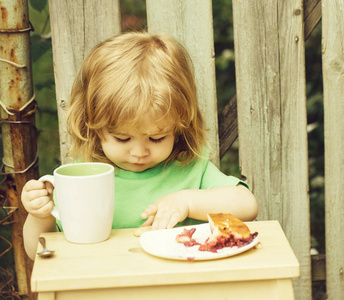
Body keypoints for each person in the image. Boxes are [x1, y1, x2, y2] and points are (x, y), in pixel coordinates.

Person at [21, 32, 258, 259]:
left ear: (179, 128)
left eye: (156, 138)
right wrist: (39, 217)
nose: (139, 152)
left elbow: (247, 204)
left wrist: (187, 201)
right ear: (92, 126)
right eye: (122, 139)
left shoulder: (189, 169)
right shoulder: (84, 177)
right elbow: (37, 252)